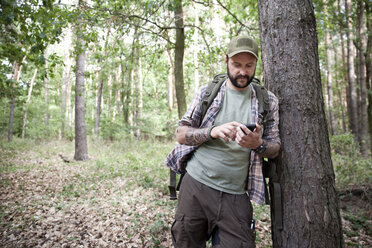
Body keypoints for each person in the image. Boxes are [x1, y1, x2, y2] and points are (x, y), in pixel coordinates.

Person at [165, 35, 281, 248]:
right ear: (226, 61)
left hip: (235, 195)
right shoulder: (208, 93)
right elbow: (181, 134)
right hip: (196, 186)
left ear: (256, 65)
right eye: (237, 65)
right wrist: (213, 131)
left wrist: (257, 144)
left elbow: (275, 148)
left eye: (249, 65)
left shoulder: (268, 101)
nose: (242, 72)